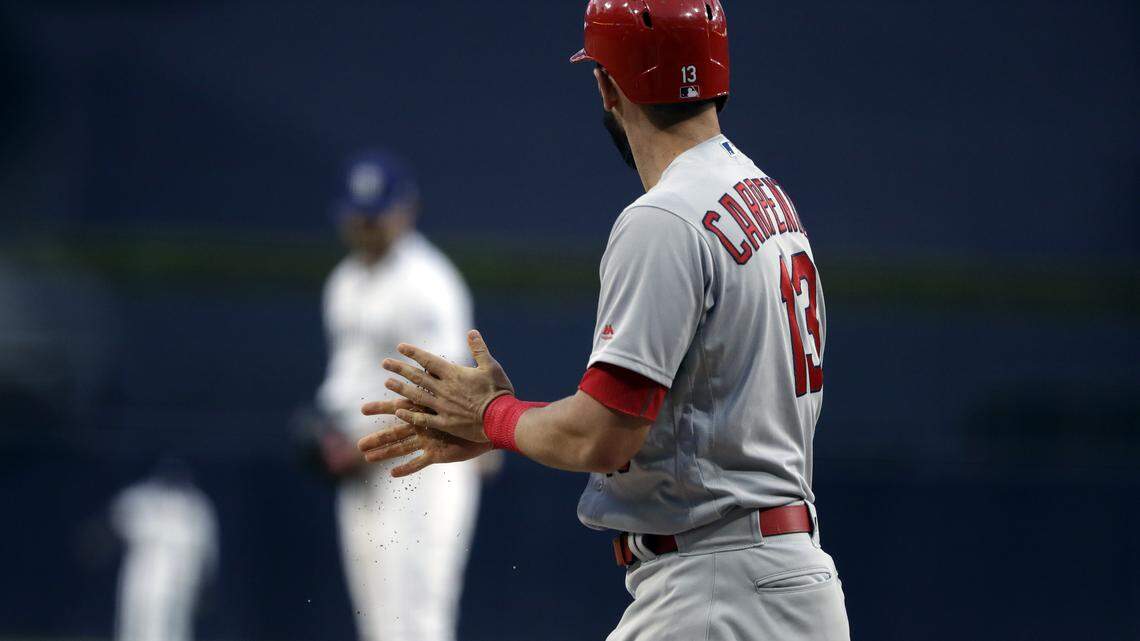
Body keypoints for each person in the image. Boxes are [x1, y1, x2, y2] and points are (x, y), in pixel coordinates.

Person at [356, 2, 851, 639]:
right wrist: (506, 428)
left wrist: (493, 416)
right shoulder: (768, 199)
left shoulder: (664, 218)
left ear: (607, 84)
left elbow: (602, 437)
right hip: (793, 581)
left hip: (716, 587)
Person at [314, 151, 487, 641]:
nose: (368, 227)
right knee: (378, 621)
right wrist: (328, 430)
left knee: (416, 620)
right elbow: (345, 381)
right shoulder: (343, 283)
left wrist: (362, 442)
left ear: (406, 210)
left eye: (377, 215)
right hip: (362, 468)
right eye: (359, 216)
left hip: (424, 469)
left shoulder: (428, 283)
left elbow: (443, 399)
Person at [111, 461, 217, 641]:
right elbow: (116, 522)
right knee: (136, 618)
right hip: (143, 571)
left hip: (182, 574)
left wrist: (204, 581)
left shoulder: (196, 505)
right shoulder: (141, 496)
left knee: (175, 622)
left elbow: (207, 548)